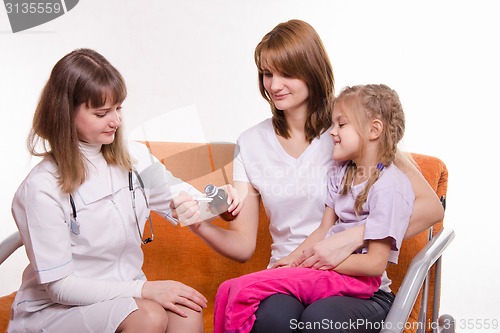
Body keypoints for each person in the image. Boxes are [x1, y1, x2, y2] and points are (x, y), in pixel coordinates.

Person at [172, 19, 444, 332]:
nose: (274, 85)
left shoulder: (350, 128)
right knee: (274, 319)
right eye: (267, 73)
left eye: (286, 73)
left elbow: (430, 207)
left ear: (312, 70)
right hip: (289, 277)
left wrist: (353, 237)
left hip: (356, 285)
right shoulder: (250, 143)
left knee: (320, 321)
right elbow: (244, 246)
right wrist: (199, 225)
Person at [7, 48, 240, 333]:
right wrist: (145, 289)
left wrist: (220, 201)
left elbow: (184, 203)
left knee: (187, 312)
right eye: (102, 112)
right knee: (150, 316)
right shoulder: (41, 188)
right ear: (65, 114)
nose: (116, 121)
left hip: (126, 296)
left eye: (118, 108)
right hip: (56, 310)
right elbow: (60, 287)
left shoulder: (135, 158)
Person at [213, 83, 414, 333]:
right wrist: (291, 260)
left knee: (319, 319)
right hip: (326, 278)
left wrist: (320, 262)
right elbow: (323, 229)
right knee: (273, 315)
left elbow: (374, 264)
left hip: (364, 288)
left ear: (374, 130)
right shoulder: (340, 173)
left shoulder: (390, 186)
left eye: (341, 124)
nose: (332, 132)